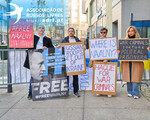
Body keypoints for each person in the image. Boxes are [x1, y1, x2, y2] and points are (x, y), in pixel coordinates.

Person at [24, 24, 54, 100]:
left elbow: (52, 49)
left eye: (42, 28)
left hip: (44, 60)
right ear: (37, 29)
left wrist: (55, 47)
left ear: (44, 30)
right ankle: (30, 93)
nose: (41, 29)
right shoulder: (32, 38)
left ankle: (41, 92)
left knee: (43, 76)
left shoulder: (48, 39)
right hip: (34, 59)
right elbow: (28, 48)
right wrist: (41, 48)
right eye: (39, 28)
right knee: (34, 76)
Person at [121, 26, 145, 99]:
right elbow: (122, 52)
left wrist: (146, 49)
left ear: (135, 32)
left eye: (132, 31)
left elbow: (143, 52)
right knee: (129, 77)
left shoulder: (140, 41)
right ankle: (130, 92)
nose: (130, 32)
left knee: (136, 77)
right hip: (127, 62)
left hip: (137, 62)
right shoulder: (124, 41)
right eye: (129, 31)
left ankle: (136, 93)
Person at [58, 27, 81, 97]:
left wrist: (84, 46)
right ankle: (66, 92)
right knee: (66, 77)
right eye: (69, 31)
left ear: (74, 32)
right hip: (67, 62)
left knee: (75, 77)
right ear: (68, 33)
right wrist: (59, 46)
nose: (71, 32)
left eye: (72, 31)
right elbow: (61, 47)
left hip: (75, 62)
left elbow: (81, 45)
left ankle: (76, 91)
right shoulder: (64, 40)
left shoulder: (77, 39)